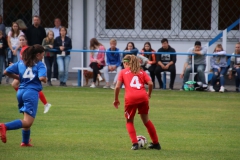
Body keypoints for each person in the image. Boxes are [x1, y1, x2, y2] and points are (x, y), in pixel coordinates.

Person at [0, 44, 47, 146]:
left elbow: (5, 72)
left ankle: (25, 142)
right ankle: (4, 126)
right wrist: (45, 79)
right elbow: (42, 78)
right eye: (43, 55)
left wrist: (19, 78)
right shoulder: (40, 64)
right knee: (28, 122)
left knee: (26, 118)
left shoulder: (21, 62)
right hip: (31, 93)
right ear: (38, 55)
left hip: (20, 92)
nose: (43, 57)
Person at [113, 55, 161, 150]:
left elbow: (117, 87)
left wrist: (116, 99)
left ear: (126, 63)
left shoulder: (123, 72)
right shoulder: (141, 72)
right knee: (146, 120)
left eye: (124, 63)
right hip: (143, 97)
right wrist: (149, 94)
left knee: (129, 121)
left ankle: (135, 144)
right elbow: (151, 83)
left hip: (131, 99)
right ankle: (156, 143)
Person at [11, 35, 51, 114]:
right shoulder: (22, 49)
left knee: (23, 85)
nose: (21, 41)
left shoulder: (26, 49)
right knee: (16, 85)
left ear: (26, 41)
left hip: (28, 71)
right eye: (20, 40)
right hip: (26, 70)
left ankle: (45, 103)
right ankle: (44, 103)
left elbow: (27, 62)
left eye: (23, 40)